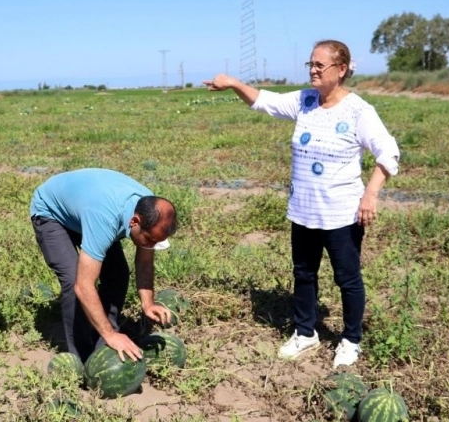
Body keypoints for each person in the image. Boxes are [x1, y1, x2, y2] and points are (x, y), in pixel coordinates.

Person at [204, 40, 399, 369]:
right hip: (304, 210)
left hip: (341, 214)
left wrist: (371, 194)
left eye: (320, 66)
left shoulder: (359, 111)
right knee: (304, 273)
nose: (313, 70)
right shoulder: (306, 101)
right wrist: (235, 83)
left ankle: (351, 340)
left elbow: (388, 152)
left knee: (347, 278)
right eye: (310, 64)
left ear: (341, 70)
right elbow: (267, 102)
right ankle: (305, 332)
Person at [30, 168, 178, 363]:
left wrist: (148, 302)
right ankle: (84, 358)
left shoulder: (150, 212)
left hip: (86, 209)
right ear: (135, 221)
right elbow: (83, 286)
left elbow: (144, 261)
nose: (151, 246)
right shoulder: (105, 217)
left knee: (118, 274)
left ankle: (104, 345)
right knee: (74, 279)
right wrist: (111, 335)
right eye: (149, 240)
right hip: (51, 213)